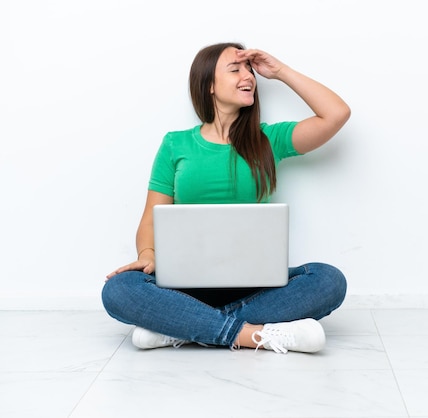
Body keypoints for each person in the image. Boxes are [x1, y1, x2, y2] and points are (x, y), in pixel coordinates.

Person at [101, 42, 351, 354]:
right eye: (235, 69)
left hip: (256, 286)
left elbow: (336, 114)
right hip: (184, 287)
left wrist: (281, 72)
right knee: (118, 289)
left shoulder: (269, 139)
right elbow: (152, 216)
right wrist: (148, 254)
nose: (248, 76)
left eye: (249, 69)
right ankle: (253, 334)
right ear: (209, 86)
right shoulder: (175, 144)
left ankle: (183, 327)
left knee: (329, 280)